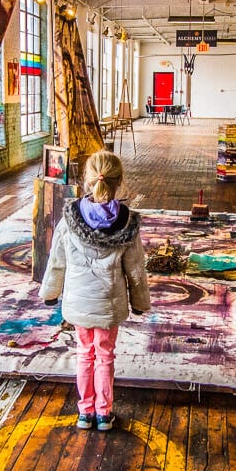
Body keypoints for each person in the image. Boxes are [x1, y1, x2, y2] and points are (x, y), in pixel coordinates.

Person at [39, 150, 151, 431]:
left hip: (79, 303)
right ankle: (103, 413)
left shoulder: (70, 218)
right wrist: (139, 302)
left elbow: (56, 260)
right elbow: (136, 269)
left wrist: (50, 293)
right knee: (105, 355)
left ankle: (84, 412)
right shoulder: (127, 223)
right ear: (119, 181)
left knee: (83, 353)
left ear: (87, 180)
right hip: (109, 305)